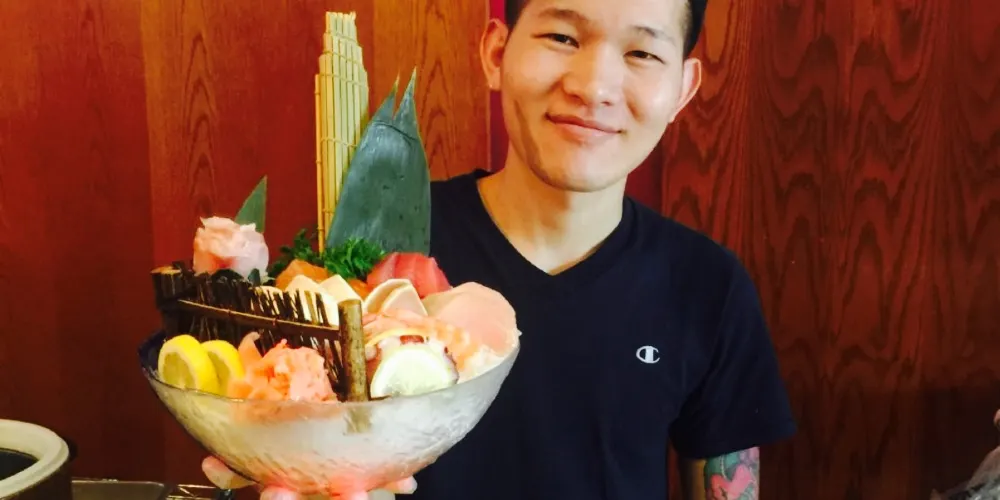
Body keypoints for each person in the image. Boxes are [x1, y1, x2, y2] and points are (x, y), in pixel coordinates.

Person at [204, 0, 797, 498]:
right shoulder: (372, 248)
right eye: (562, 37)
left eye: (642, 53)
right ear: (496, 53)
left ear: (682, 89)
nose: (594, 86)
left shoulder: (707, 287)